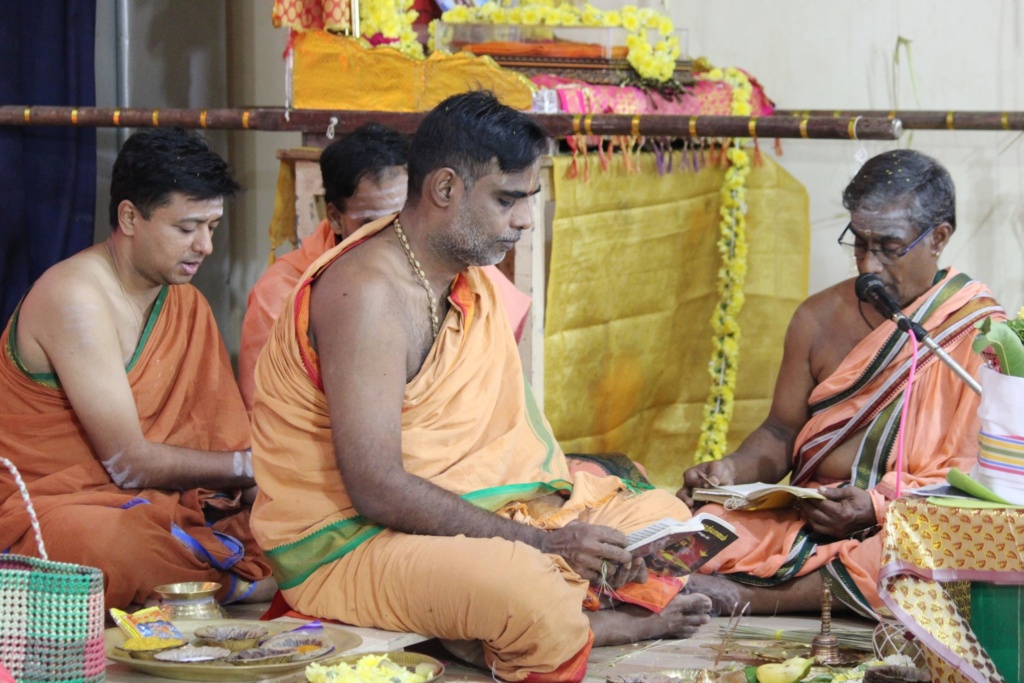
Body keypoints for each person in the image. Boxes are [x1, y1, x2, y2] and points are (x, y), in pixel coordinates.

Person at [250, 91, 712, 683]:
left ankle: (496, 626)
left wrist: (551, 530)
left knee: (659, 515)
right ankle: (566, 625)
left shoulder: (471, 279)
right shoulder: (367, 295)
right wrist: (543, 545)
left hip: (465, 519)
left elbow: (492, 450)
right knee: (527, 590)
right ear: (445, 189)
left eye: (528, 200)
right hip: (352, 543)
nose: (522, 220)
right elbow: (375, 488)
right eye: (507, 200)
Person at [677, 149, 1005, 618]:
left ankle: (752, 596)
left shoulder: (981, 332)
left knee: (949, 543)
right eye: (858, 243)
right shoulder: (816, 319)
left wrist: (875, 507)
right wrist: (730, 471)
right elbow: (780, 433)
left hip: (903, 521)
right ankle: (824, 588)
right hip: (807, 517)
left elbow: (975, 476)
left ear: (938, 237)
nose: (868, 264)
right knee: (692, 527)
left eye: (889, 247)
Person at [0, 128, 274, 610]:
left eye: (212, 226)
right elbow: (129, 464)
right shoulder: (75, 298)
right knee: (107, 543)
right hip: (57, 506)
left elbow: (217, 443)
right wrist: (252, 467)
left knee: (300, 515)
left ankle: (202, 580)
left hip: (168, 502)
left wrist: (265, 484)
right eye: (187, 228)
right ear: (129, 217)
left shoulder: (185, 304)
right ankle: (222, 583)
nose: (205, 246)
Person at [238, 123, 532, 413]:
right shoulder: (280, 292)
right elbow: (269, 418)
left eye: (400, 218)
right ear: (335, 218)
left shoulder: (461, 271)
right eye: (372, 223)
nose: (393, 236)